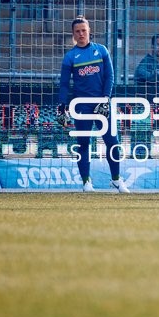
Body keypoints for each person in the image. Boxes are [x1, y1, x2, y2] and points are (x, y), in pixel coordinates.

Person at [57, 16, 130, 193]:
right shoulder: (70, 57)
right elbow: (64, 84)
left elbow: (110, 77)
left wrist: (106, 99)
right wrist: (61, 106)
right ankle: (86, 182)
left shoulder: (102, 50)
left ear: (89, 31)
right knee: (83, 143)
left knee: (112, 142)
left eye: (84, 30)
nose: (81, 34)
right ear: (73, 34)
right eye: (77, 31)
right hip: (82, 106)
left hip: (102, 105)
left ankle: (116, 180)